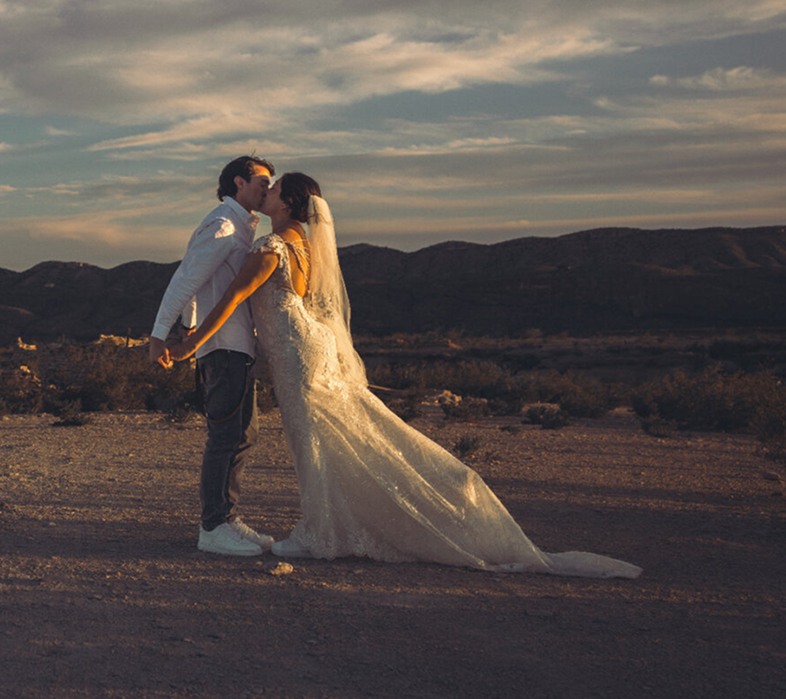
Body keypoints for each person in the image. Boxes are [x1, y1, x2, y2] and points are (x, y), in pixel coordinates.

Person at [165, 172, 641, 578]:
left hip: (296, 354)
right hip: (308, 346)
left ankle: (319, 532)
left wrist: (187, 341)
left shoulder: (270, 246)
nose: (264, 194)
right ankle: (324, 524)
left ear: (287, 203)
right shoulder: (302, 243)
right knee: (325, 435)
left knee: (312, 437)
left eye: (272, 191)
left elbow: (229, 297)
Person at [148, 154, 277, 557]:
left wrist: (188, 326)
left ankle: (227, 517)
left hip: (237, 345)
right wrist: (159, 335)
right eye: (261, 181)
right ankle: (213, 527)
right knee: (225, 436)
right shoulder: (222, 225)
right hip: (223, 348)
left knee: (244, 434)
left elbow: (201, 284)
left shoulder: (239, 226)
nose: (267, 189)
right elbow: (186, 279)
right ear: (238, 183)